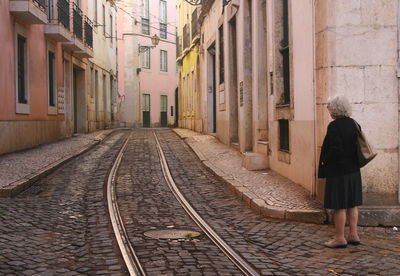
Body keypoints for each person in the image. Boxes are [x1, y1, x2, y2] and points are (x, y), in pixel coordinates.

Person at [318, 95, 362, 248]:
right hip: (354, 170)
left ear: (335, 110)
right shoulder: (354, 123)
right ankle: (354, 234)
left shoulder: (334, 126)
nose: (329, 112)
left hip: (338, 171)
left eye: (330, 109)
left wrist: (325, 160)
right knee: (352, 204)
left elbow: (336, 149)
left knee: (339, 206)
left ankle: (339, 238)